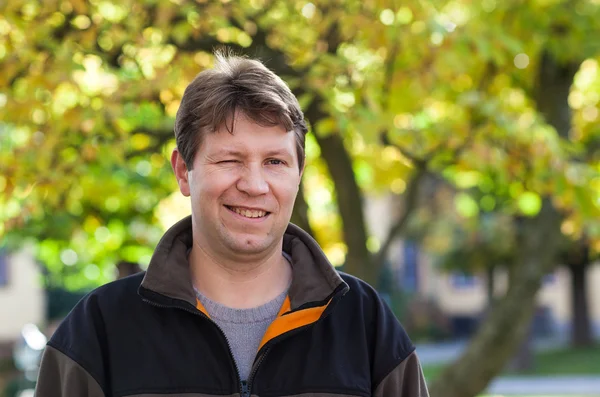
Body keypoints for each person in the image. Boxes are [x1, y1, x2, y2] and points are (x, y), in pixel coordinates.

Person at [35, 51, 429, 397]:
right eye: (229, 160)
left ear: (299, 174)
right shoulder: (99, 332)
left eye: (274, 162)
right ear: (183, 172)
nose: (254, 185)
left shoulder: (365, 325)